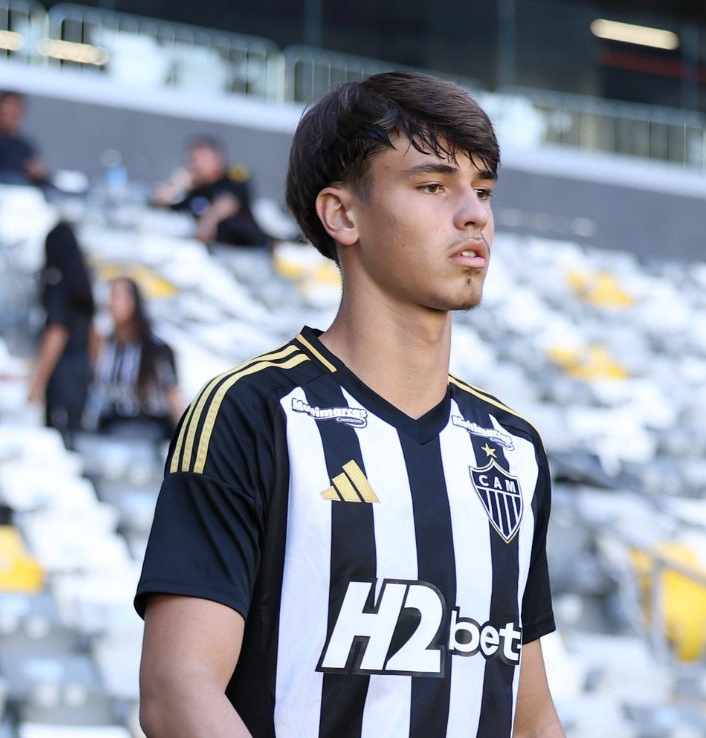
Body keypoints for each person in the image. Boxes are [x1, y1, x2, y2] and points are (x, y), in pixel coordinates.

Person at [136, 72, 564, 737]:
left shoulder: (511, 449)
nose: (474, 213)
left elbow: (529, 716)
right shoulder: (254, 413)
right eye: (432, 186)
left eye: (482, 190)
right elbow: (176, 690)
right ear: (343, 214)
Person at [84, 276, 184, 439]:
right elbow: (96, 390)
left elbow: (173, 393)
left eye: (117, 296)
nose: (112, 303)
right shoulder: (103, 344)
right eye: (110, 297)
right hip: (110, 428)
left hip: (149, 430)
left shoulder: (155, 349)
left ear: (134, 301)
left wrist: (186, 435)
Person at [28, 222, 94, 445]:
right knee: (75, 433)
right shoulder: (82, 282)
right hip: (80, 369)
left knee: (58, 437)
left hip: (63, 369)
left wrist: (37, 382)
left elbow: (56, 333)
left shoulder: (59, 284)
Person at [152, 136, 272, 248]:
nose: (195, 164)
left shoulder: (234, 176)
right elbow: (159, 205)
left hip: (250, 247)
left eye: (201, 158)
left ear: (218, 158)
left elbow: (228, 203)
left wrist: (208, 221)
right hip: (216, 251)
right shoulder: (193, 192)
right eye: (192, 159)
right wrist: (176, 184)